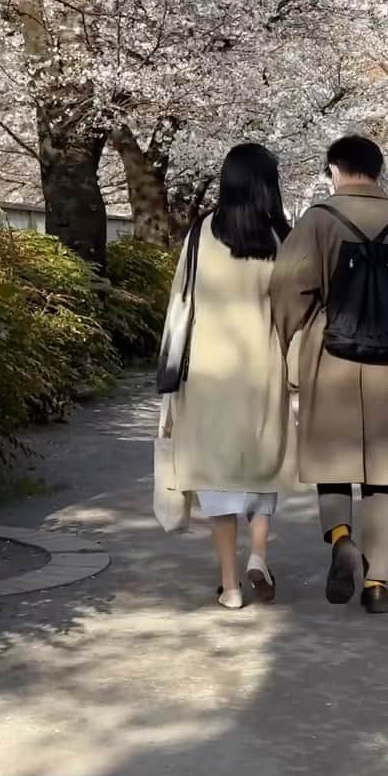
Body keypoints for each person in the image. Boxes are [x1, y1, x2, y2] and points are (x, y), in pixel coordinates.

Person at [271, 134, 388, 615]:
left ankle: (342, 539)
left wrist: (288, 345)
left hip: (333, 361)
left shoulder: (319, 221)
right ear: (378, 171)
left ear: (333, 170)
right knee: (381, 479)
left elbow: (288, 289)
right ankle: (378, 582)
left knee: (334, 466)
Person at [165, 143, 295, 610]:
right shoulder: (282, 238)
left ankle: (231, 586)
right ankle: (258, 555)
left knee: (218, 479)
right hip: (263, 367)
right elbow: (295, 312)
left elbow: (181, 301)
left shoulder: (200, 235)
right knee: (261, 467)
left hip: (209, 372)